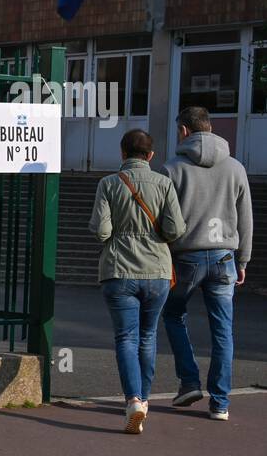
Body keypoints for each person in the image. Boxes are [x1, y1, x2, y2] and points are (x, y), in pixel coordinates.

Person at [89, 129, 186, 434]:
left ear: (122, 153)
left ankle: (132, 400)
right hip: (157, 271)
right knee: (148, 336)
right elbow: (175, 229)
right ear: (151, 155)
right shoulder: (165, 183)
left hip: (119, 270)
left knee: (126, 337)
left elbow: (101, 231)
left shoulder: (108, 184)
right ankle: (143, 400)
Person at [161, 106, 253, 421]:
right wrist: (243, 259)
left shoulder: (172, 169)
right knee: (223, 330)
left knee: (173, 314)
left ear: (185, 131)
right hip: (226, 257)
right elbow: (246, 219)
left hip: (186, 257)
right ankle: (221, 403)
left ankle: (189, 380)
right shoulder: (236, 168)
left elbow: (165, 220)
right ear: (210, 128)